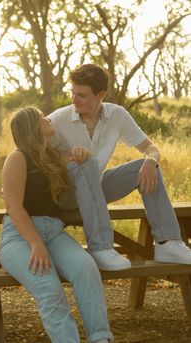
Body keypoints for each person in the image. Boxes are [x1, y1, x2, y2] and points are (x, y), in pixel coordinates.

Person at [48, 63, 191, 271]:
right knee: (87, 163)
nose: (74, 99)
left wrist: (151, 161)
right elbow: (32, 153)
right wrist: (69, 156)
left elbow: (150, 148)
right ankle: (101, 248)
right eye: (73, 93)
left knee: (149, 167)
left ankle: (167, 243)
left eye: (82, 95)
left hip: (96, 188)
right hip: (64, 194)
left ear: (100, 94)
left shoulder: (117, 115)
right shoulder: (58, 119)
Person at [0, 106, 113, 343]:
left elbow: (82, 167)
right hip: (21, 238)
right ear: (32, 126)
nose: (48, 118)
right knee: (49, 289)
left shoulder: (54, 156)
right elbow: (14, 207)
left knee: (86, 268)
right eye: (42, 118)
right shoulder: (17, 157)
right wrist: (35, 243)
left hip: (54, 233)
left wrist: (82, 153)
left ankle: (101, 338)